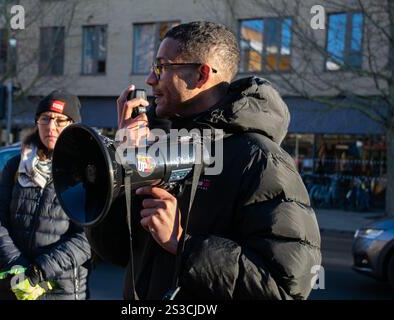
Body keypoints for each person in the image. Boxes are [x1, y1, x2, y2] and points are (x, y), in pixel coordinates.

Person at [89, 21, 321, 300]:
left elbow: (285, 289)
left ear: (201, 75)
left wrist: (183, 244)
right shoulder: (159, 144)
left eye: (162, 67)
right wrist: (124, 158)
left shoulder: (260, 161)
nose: (151, 79)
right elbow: (113, 249)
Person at [0, 90, 92, 300]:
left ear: (73, 125)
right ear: (37, 123)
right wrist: (16, 265)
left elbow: (87, 237)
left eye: (60, 120)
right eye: (45, 119)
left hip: (60, 288)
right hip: (11, 285)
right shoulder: (16, 165)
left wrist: (38, 272)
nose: (51, 127)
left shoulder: (87, 172)